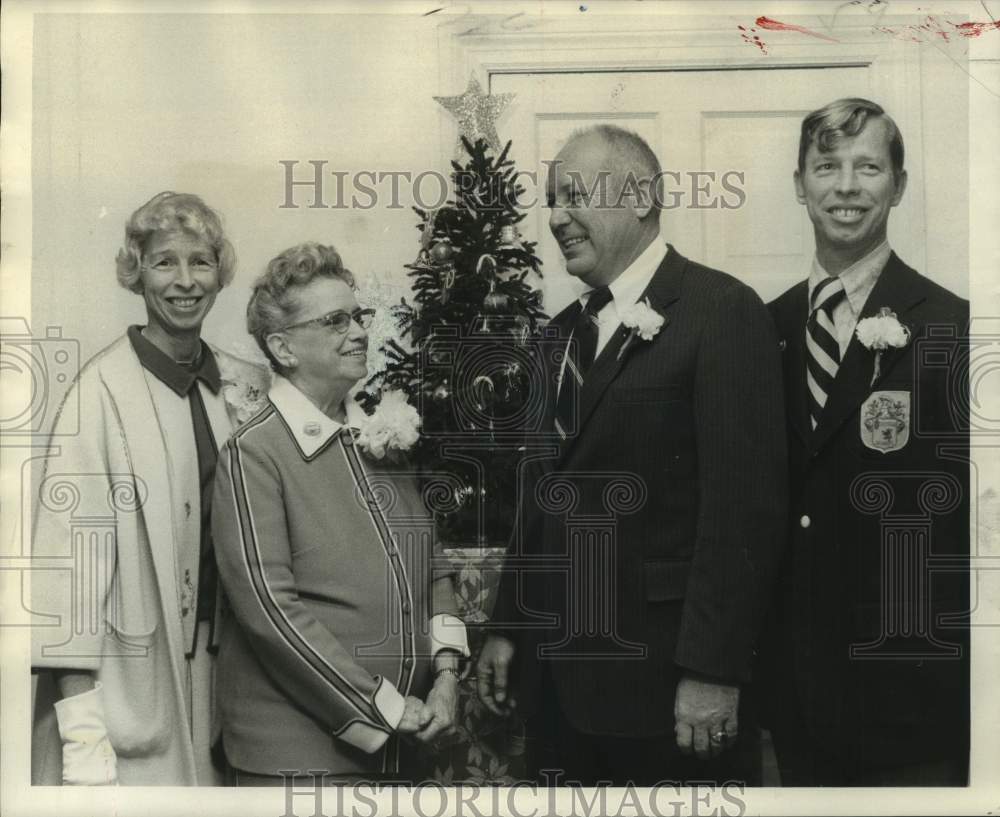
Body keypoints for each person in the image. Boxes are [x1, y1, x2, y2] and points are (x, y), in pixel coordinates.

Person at [476, 125, 788, 786]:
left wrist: (713, 670)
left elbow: (743, 516)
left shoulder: (721, 311)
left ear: (642, 196)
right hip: (556, 687)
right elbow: (540, 500)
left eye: (575, 195)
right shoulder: (558, 338)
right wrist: (507, 626)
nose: (556, 217)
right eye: (552, 200)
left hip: (667, 695)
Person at [761, 98, 970, 785]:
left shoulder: (953, 326)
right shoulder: (763, 328)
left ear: (899, 185)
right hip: (794, 692)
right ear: (800, 184)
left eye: (868, 167)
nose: (846, 186)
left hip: (912, 696)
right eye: (826, 166)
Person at [30, 191, 268, 785]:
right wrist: (82, 732)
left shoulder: (245, 385)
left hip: (232, 675)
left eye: (201, 262)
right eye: (165, 262)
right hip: (129, 683)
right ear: (137, 273)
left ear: (220, 273)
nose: (185, 281)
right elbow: (69, 569)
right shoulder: (98, 394)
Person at [211, 242, 470, 785]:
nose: (358, 332)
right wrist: (385, 706)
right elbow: (271, 615)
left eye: (358, 316)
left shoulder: (383, 439)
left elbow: (436, 569)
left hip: (403, 755)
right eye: (335, 321)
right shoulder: (254, 454)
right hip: (300, 760)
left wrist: (447, 673)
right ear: (283, 347)